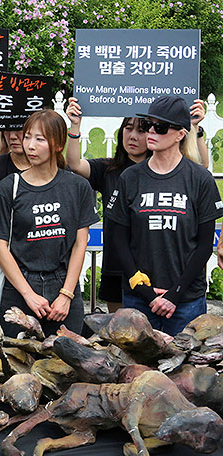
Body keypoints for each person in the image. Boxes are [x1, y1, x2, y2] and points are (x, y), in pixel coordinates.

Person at [105, 96, 223, 335]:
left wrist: (174, 294)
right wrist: (144, 291)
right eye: (149, 124)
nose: (151, 132)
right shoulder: (131, 177)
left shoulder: (199, 179)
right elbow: (118, 238)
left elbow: (203, 245)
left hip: (186, 300)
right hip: (139, 298)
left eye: (160, 127)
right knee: (137, 371)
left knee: (186, 371)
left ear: (180, 134)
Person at [0, 110, 99, 337]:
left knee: (65, 365)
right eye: (27, 137)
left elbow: (80, 243)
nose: (30, 145)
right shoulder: (10, 186)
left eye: (39, 139)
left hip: (63, 283)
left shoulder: (77, 187)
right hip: (20, 286)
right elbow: (0, 245)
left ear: (58, 144)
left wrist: (66, 295)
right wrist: (28, 294)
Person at [65, 97, 151, 312]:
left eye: (141, 130)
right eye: (128, 128)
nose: (132, 136)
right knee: (121, 331)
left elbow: (200, 165)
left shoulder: (161, 173)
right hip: (116, 266)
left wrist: (194, 129)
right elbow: (75, 164)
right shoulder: (108, 169)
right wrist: (75, 126)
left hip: (152, 266)